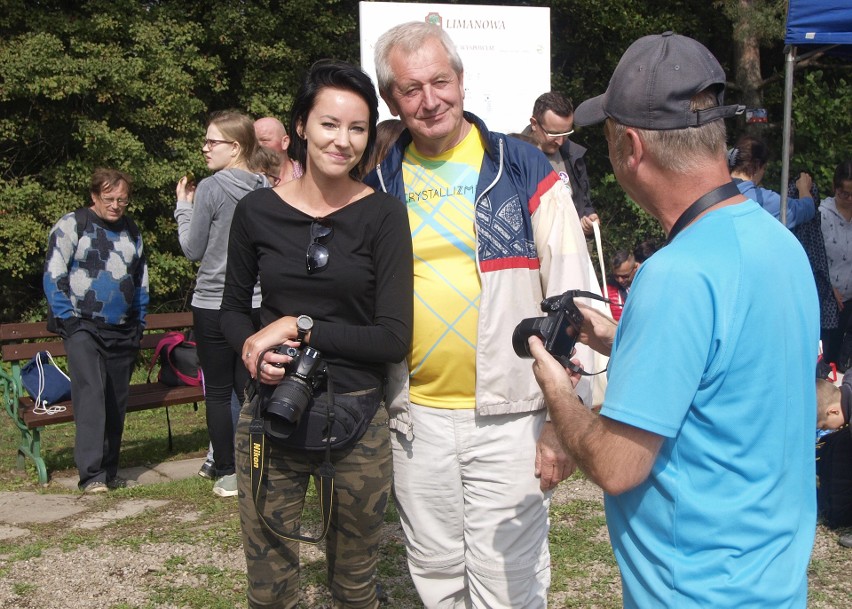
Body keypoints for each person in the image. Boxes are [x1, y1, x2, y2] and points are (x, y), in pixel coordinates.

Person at [527, 32, 819, 608]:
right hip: (772, 581)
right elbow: (733, 369)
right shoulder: (780, 244)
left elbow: (617, 465)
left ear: (630, 146)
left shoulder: (675, 275)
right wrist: (625, 338)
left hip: (695, 591)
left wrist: (559, 393)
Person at [364, 21, 596, 608]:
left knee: (510, 581)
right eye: (411, 89)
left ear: (462, 82)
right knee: (435, 573)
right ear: (392, 100)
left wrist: (565, 419)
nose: (429, 99)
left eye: (440, 81)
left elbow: (578, 298)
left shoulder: (522, 168)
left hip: (512, 416)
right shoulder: (379, 186)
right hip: (415, 420)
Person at [220, 60, 413, 609]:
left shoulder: (384, 216)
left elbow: (393, 337)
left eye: (357, 128)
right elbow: (230, 310)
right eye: (329, 124)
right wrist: (252, 349)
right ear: (300, 126)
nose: (343, 140)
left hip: (357, 422)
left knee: (355, 586)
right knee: (270, 586)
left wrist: (299, 328)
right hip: (269, 415)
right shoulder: (256, 211)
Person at [174, 110, 275, 497]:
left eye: (211, 141)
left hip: (214, 302)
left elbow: (192, 248)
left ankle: (230, 472)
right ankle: (258, 465)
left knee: (217, 391)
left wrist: (184, 207)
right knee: (250, 388)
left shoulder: (213, 188)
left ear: (235, 147)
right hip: (256, 302)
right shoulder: (265, 187)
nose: (204, 148)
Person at [43, 168, 148, 493]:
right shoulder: (73, 224)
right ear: (94, 196)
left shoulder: (131, 231)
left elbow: (141, 280)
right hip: (82, 325)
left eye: (122, 200)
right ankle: (91, 476)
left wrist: (140, 322)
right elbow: (53, 274)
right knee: (92, 396)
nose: (116, 205)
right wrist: (69, 320)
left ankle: (110, 470)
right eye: (109, 199)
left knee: (115, 400)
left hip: (122, 329)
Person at [522, 91, 600, 235]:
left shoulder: (573, 156)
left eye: (566, 133)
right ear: (534, 124)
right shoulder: (514, 158)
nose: (561, 141)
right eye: (554, 134)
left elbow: (584, 205)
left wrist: (588, 220)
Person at [728, 134, 816, 229]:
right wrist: (804, 188)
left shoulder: (716, 189)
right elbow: (807, 209)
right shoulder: (761, 199)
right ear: (757, 166)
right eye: (764, 168)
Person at [820, 160, 852, 369]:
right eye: (844, 193)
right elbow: (813, 259)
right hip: (830, 302)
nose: (849, 199)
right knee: (828, 360)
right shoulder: (822, 215)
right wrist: (829, 286)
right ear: (835, 189)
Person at [254, 116, 303, 184]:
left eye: (264, 140)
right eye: (253, 141)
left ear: (285, 142)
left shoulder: (306, 175)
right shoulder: (247, 179)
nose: (257, 145)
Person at [605, 250, 637, 321]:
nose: (620, 280)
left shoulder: (645, 286)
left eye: (625, 276)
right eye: (616, 276)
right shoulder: (607, 292)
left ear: (635, 268)